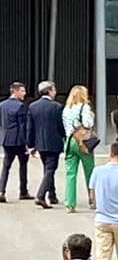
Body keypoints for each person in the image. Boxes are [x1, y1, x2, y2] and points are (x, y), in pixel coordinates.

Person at [26, 80, 65, 209]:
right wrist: (64, 136)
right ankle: (41, 195)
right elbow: (60, 126)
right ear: (49, 91)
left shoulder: (33, 106)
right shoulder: (57, 107)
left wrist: (30, 145)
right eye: (54, 90)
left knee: (47, 169)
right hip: (54, 142)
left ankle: (52, 195)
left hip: (40, 143)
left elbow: (30, 128)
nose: (55, 92)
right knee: (50, 169)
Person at [62, 85, 96, 213]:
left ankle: (70, 203)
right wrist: (91, 116)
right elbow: (87, 124)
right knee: (90, 172)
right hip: (82, 141)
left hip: (70, 141)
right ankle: (92, 199)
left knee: (70, 174)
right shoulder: (84, 107)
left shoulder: (66, 109)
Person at [0, 81, 31, 201]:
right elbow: (23, 126)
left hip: (6, 139)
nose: (25, 93)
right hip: (19, 140)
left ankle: (1, 190)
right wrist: (28, 143)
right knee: (23, 165)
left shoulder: (2, 105)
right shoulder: (21, 106)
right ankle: (23, 191)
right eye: (22, 91)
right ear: (15, 91)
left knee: (6, 166)